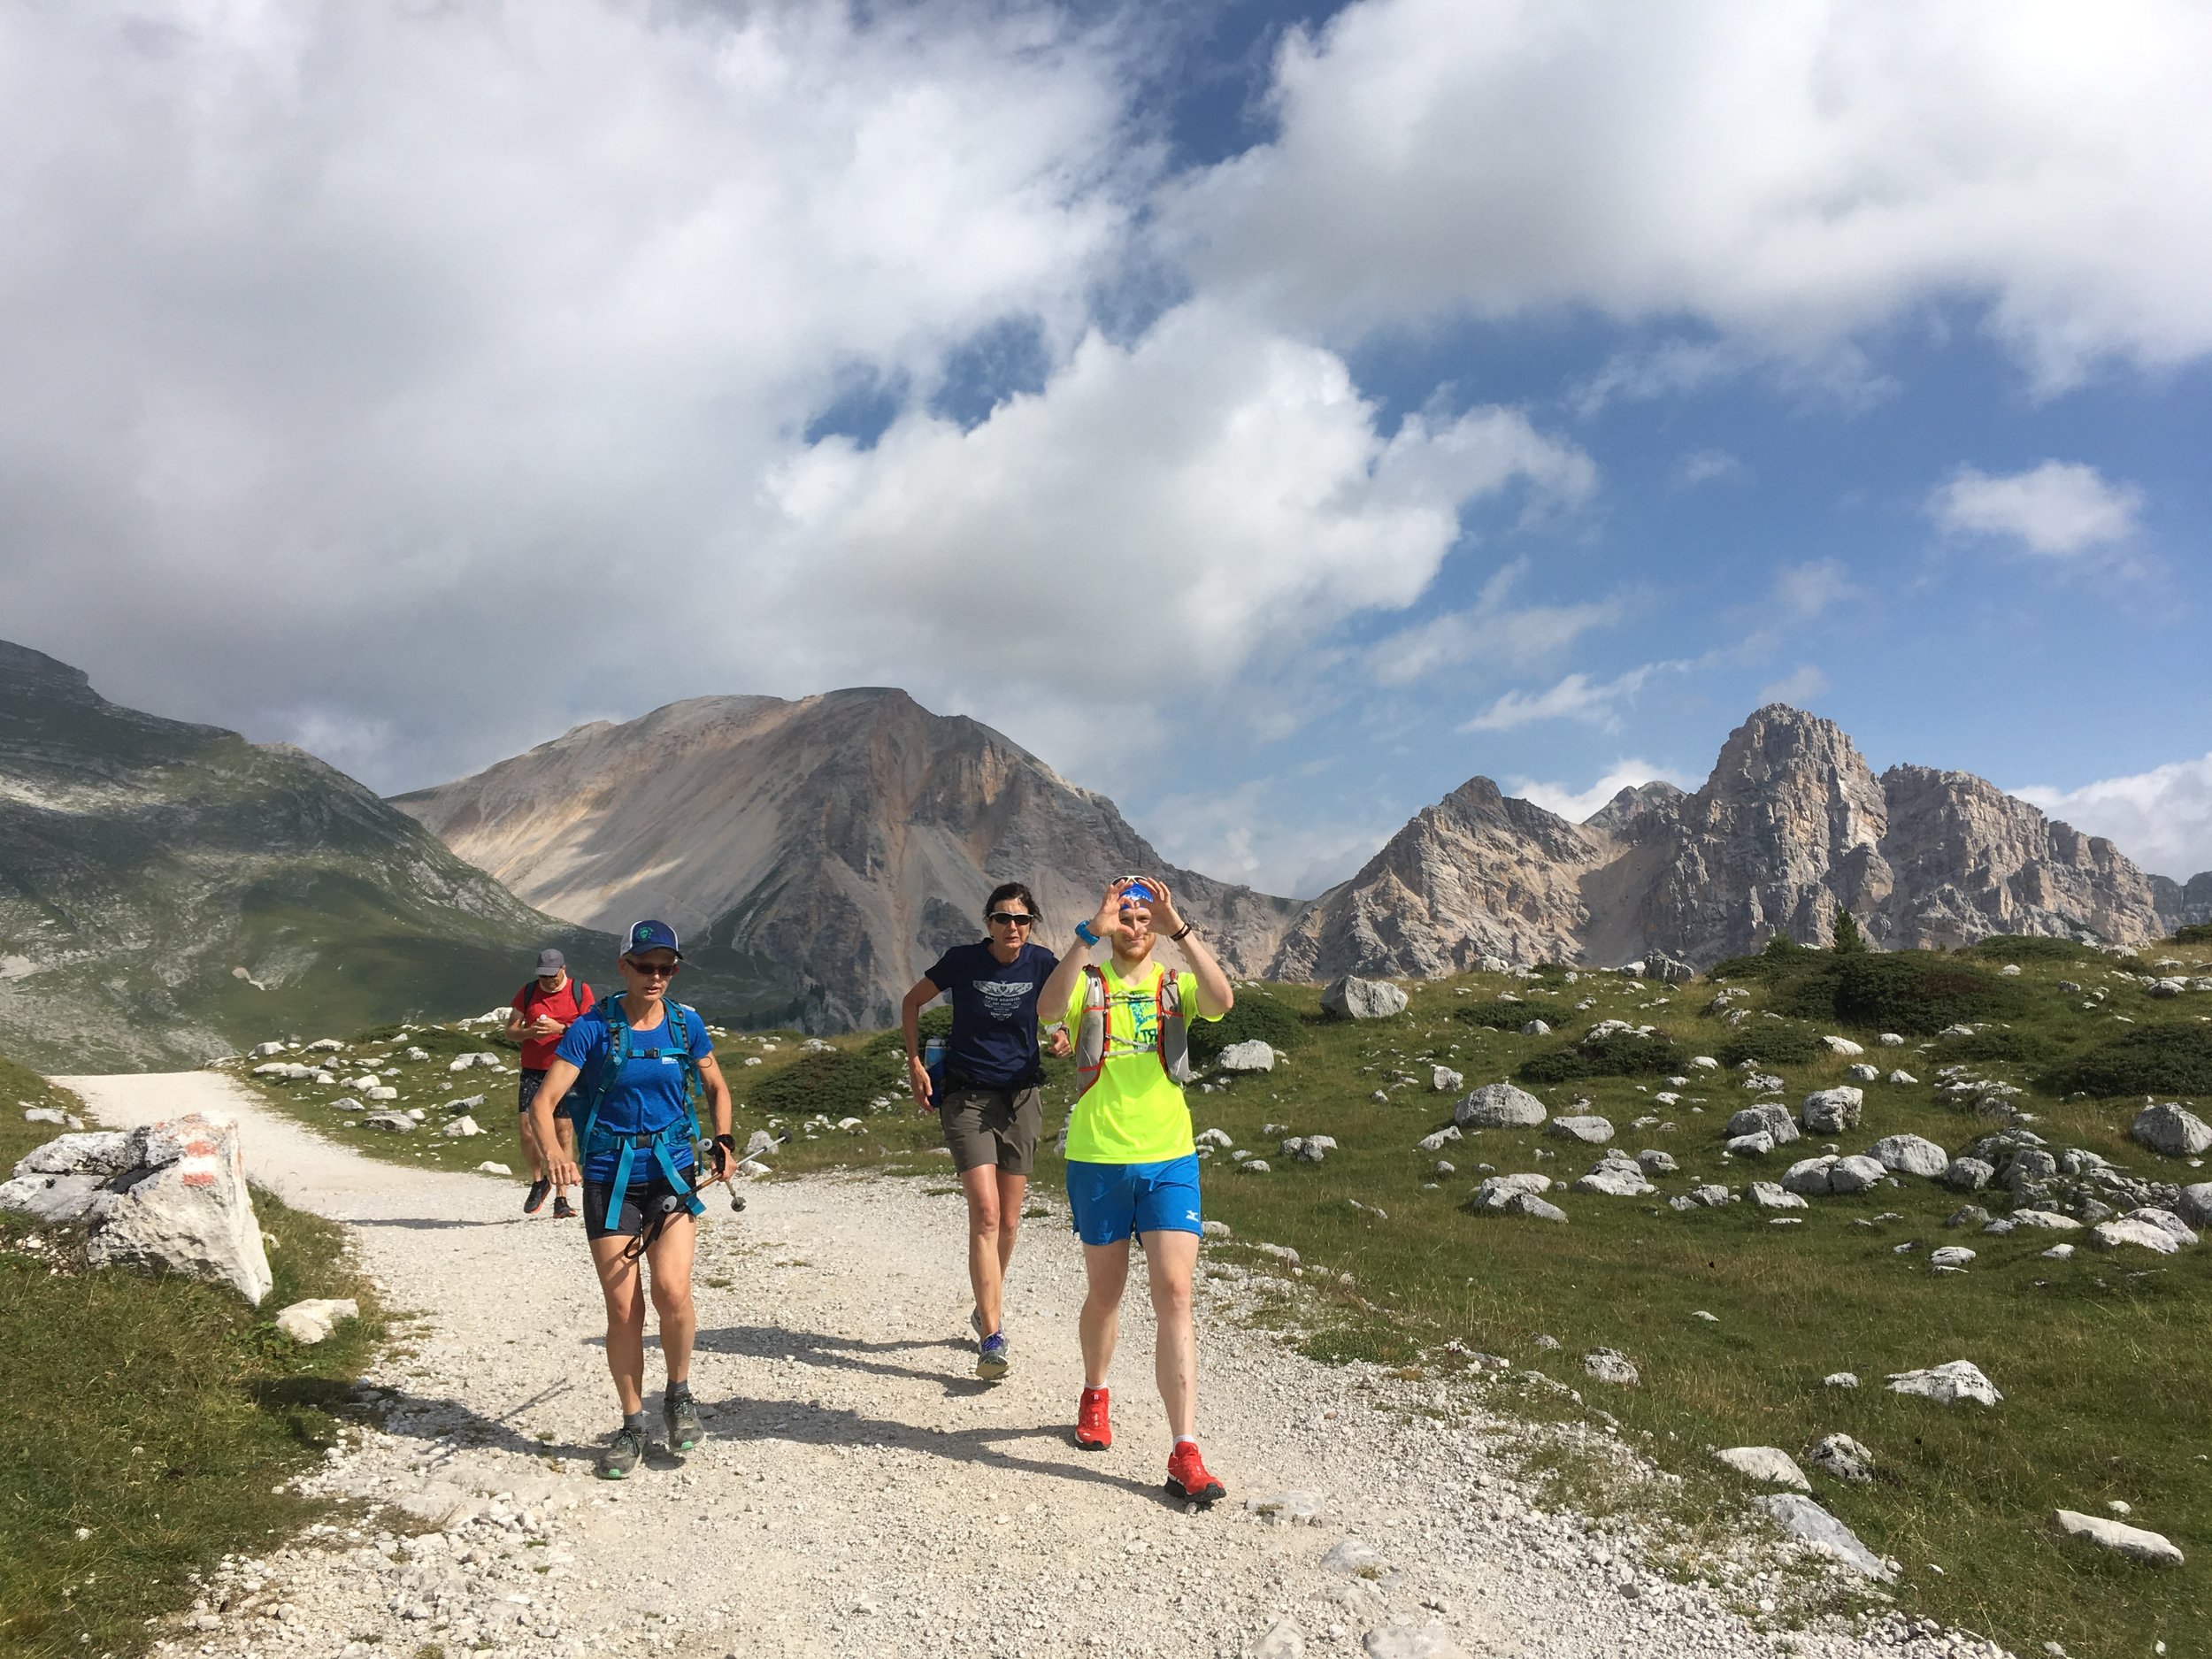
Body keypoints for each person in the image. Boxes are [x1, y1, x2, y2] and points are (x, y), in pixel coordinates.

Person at [1037, 875, 1233, 1503]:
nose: (1135, 925)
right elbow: (1045, 1009)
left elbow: (1224, 1000)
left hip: (1170, 1156)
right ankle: (1096, 1391)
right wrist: (1087, 933)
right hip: (1097, 1157)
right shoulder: (1088, 980)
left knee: (1175, 1291)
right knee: (1106, 1291)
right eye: (1127, 916)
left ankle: (1185, 1450)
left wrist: (1181, 926)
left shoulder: (1175, 983)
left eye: (1143, 917)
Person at [532, 920, 735, 1479]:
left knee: (673, 1290)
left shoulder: (685, 1023)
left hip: (672, 1171)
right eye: (645, 966)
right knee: (624, 1308)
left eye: (666, 968)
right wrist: (553, 1155)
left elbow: (717, 1086)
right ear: (623, 967)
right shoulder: (591, 1029)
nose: (656, 977)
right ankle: (631, 1423)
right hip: (607, 1174)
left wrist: (722, 1142)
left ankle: (680, 1394)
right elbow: (545, 1101)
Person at [899, 883, 1071, 1380]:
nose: (1012, 927)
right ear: (988, 923)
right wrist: (914, 1062)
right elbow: (912, 1002)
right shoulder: (961, 960)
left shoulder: (1042, 962)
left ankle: (984, 1302)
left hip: (1021, 1099)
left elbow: (1064, 1012)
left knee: (1011, 1221)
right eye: (1002, 918)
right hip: (966, 1098)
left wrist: (1061, 1037)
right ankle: (992, 1334)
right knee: (987, 1212)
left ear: (1032, 923)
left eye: (1021, 919)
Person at [507, 948, 596, 1218]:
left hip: (566, 1069)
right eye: (543, 976)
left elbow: (591, 1028)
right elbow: (510, 1031)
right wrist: (529, 1032)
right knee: (527, 1127)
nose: (547, 981)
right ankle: (539, 1181)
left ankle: (562, 1198)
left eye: (552, 976)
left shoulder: (580, 991)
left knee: (563, 1131)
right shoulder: (529, 991)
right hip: (533, 1068)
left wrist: (561, 1029)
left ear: (563, 969)